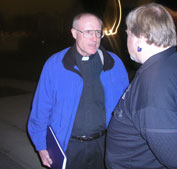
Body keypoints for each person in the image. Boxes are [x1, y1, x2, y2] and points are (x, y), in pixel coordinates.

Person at [105, 3, 177, 169]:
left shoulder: (152, 84)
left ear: (141, 37)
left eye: (128, 33)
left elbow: (174, 158)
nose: (126, 40)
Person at [27, 13, 129, 169]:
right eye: (88, 32)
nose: (94, 38)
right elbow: (41, 109)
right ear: (74, 33)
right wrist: (41, 145)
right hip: (68, 146)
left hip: (104, 145)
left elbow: (126, 108)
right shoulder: (56, 65)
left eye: (98, 32)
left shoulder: (114, 64)